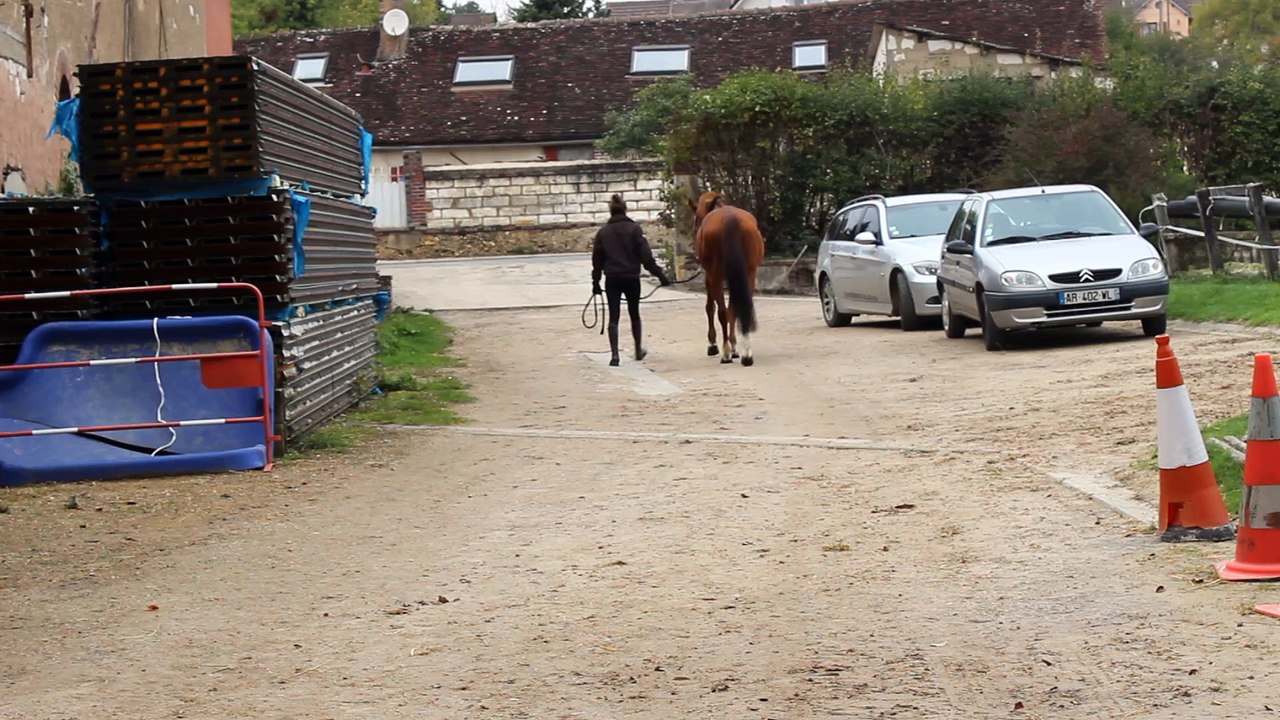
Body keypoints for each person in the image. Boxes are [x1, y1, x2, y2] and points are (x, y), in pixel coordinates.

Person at [592, 194, 671, 366]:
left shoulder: (603, 232)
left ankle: (615, 355)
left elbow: (597, 261)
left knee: (614, 317)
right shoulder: (634, 230)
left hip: (612, 278)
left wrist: (595, 283)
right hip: (631, 278)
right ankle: (637, 350)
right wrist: (661, 276)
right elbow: (646, 258)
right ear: (625, 209)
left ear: (610, 211)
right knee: (634, 313)